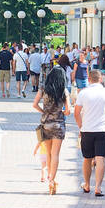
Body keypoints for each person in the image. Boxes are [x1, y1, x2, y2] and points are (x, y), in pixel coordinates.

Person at [74, 69, 105, 197]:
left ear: (89, 78)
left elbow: (76, 113)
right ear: (100, 79)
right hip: (102, 129)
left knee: (87, 158)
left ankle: (87, 185)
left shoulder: (83, 93)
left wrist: (81, 126)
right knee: (100, 158)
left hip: (87, 129)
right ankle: (98, 187)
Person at [33, 67, 72, 195]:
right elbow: (68, 110)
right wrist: (61, 112)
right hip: (59, 124)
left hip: (46, 124)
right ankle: (52, 180)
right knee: (55, 154)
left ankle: (50, 177)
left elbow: (34, 104)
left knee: (48, 153)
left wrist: (44, 112)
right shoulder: (64, 90)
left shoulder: (44, 89)